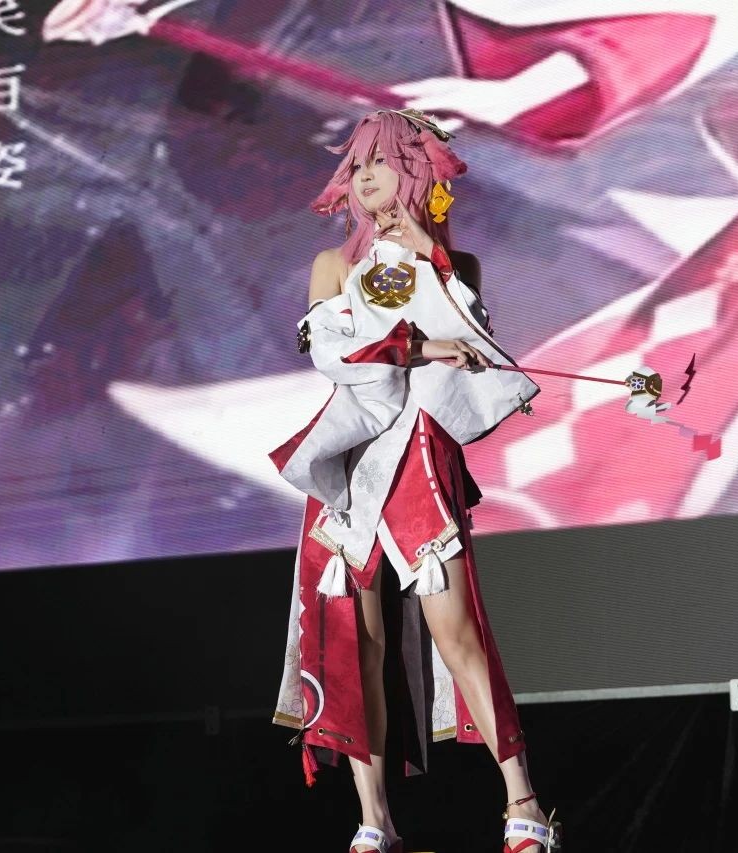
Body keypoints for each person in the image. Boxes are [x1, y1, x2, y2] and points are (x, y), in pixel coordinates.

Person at [269, 108, 561, 853]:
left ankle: (523, 804)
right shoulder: (332, 268)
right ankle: (374, 820)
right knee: (356, 641)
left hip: (421, 458)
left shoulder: (456, 266)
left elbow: (474, 345)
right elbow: (333, 355)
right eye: (357, 165)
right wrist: (419, 345)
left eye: (383, 162)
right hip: (353, 464)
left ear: (415, 172)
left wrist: (426, 253)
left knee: (456, 629)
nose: (365, 178)